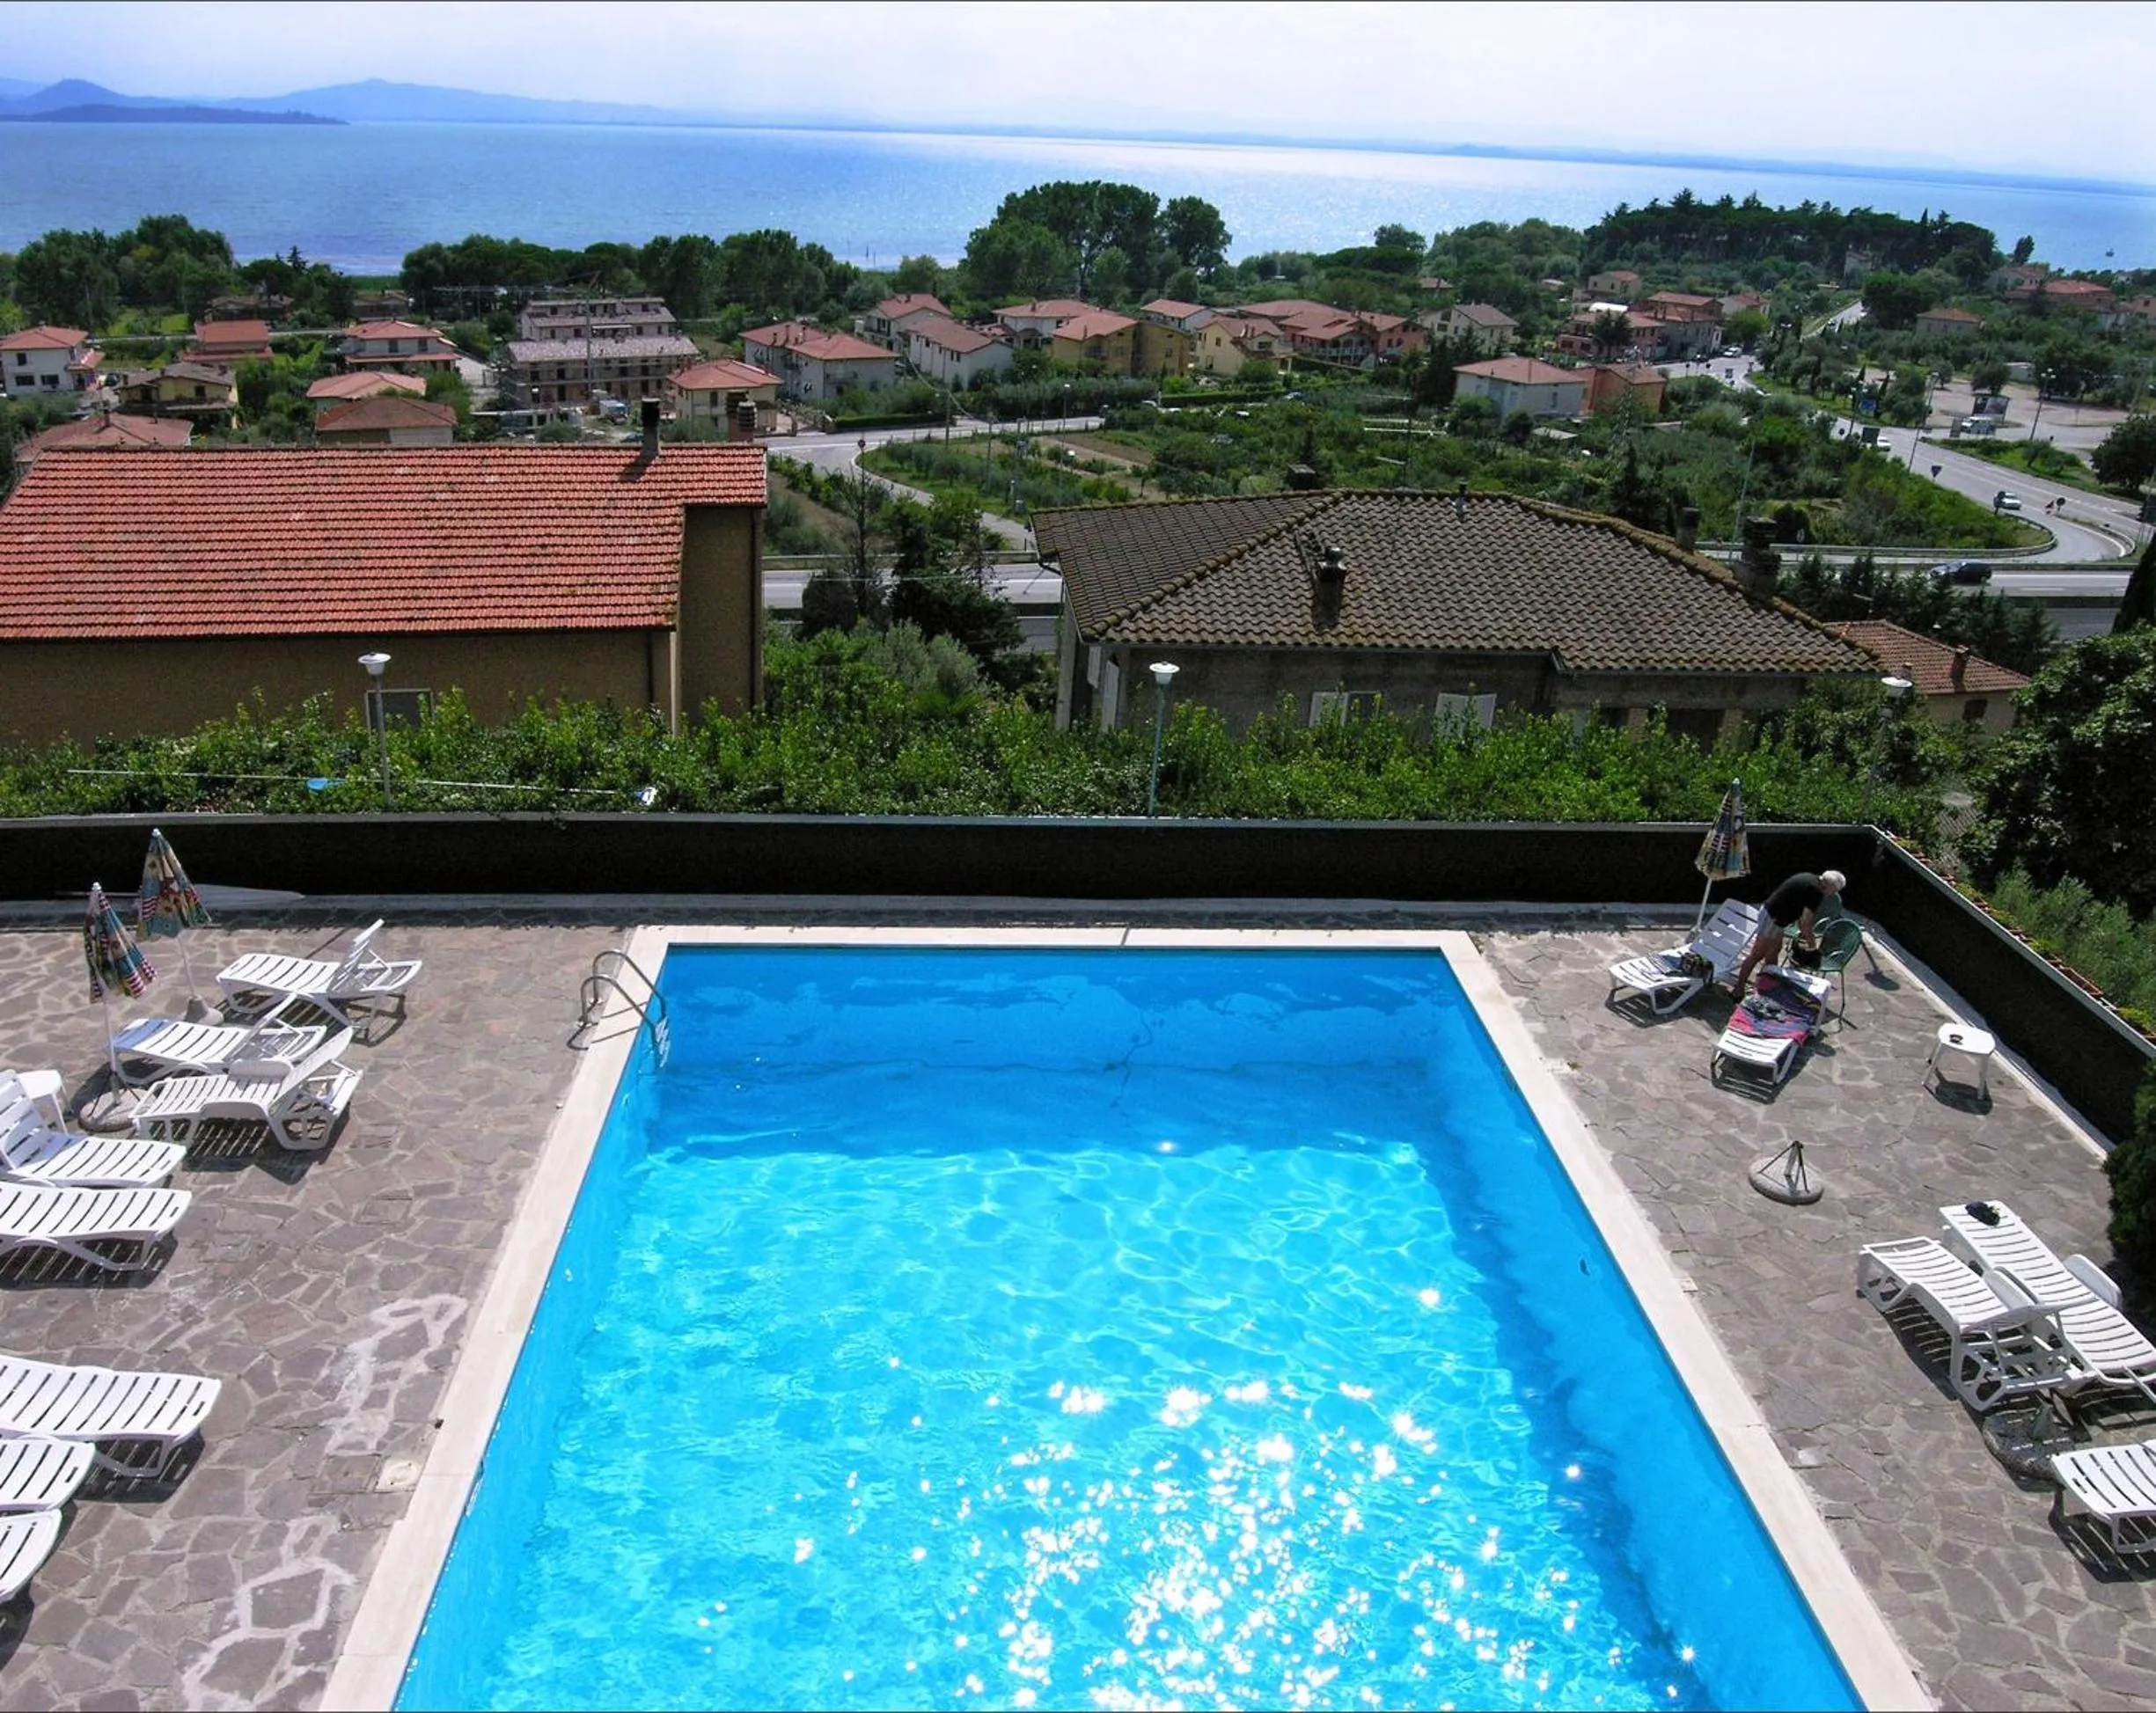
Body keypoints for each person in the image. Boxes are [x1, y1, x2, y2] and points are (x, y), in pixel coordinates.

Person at [1731, 869, 1845, 999]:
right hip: (1773, 919)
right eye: (1835, 890)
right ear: (1830, 885)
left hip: (1774, 917)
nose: (1833, 894)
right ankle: (1738, 990)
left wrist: (1804, 933)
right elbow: (1805, 923)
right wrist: (1813, 946)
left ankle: (1766, 987)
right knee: (1757, 954)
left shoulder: (1809, 878)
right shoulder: (1816, 892)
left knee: (1773, 952)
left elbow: (1796, 903)